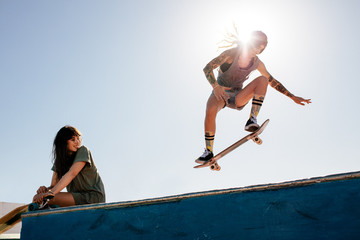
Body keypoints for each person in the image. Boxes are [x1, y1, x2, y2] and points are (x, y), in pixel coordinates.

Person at [196, 30, 311, 164]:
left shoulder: (257, 63)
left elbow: (272, 81)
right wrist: (216, 86)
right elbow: (207, 68)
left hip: (239, 96)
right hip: (220, 92)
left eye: (261, 49)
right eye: (257, 46)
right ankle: (208, 151)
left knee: (263, 79)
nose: (257, 51)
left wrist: (292, 97)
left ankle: (252, 120)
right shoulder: (230, 54)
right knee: (210, 111)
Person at [33, 126, 105, 207]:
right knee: (37, 198)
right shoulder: (59, 161)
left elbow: (72, 173)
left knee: (48, 199)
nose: (77, 142)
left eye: (78, 138)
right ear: (64, 142)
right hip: (76, 197)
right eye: (73, 140)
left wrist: (48, 194)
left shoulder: (83, 151)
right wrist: (44, 190)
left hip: (93, 197)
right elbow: (53, 186)